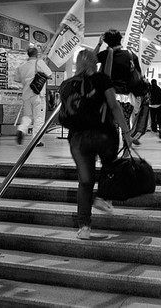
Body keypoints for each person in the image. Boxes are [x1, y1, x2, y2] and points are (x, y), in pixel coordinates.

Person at [61, 49, 133, 240]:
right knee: (111, 167)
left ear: (78, 63)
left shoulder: (68, 84)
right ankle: (103, 197)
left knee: (85, 182)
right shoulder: (102, 80)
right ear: (94, 63)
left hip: (77, 139)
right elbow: (114, 106)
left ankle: (84, 228)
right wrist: (126, 132)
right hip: (103, 136)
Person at [94, 29, 142, 139]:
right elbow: (138, 75)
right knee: (125, 125)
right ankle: (126, 151)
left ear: (106, 41)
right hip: (127, 96)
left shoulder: (106, 54)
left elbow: (91, 59)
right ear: (120, 39)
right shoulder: (130, 55)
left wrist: (99, 44)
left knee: (110, 126)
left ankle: (112, 152)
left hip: (109, 95)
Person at [14, 46, 53, 147]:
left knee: (27, 116)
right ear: (36, 54)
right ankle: (36, 140)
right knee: (39, 118)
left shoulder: (22, 66)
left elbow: (17, 79)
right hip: (38, 95)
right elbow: (49, 74)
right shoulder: (39, 62)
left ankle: (21, 129)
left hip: (26, 95)